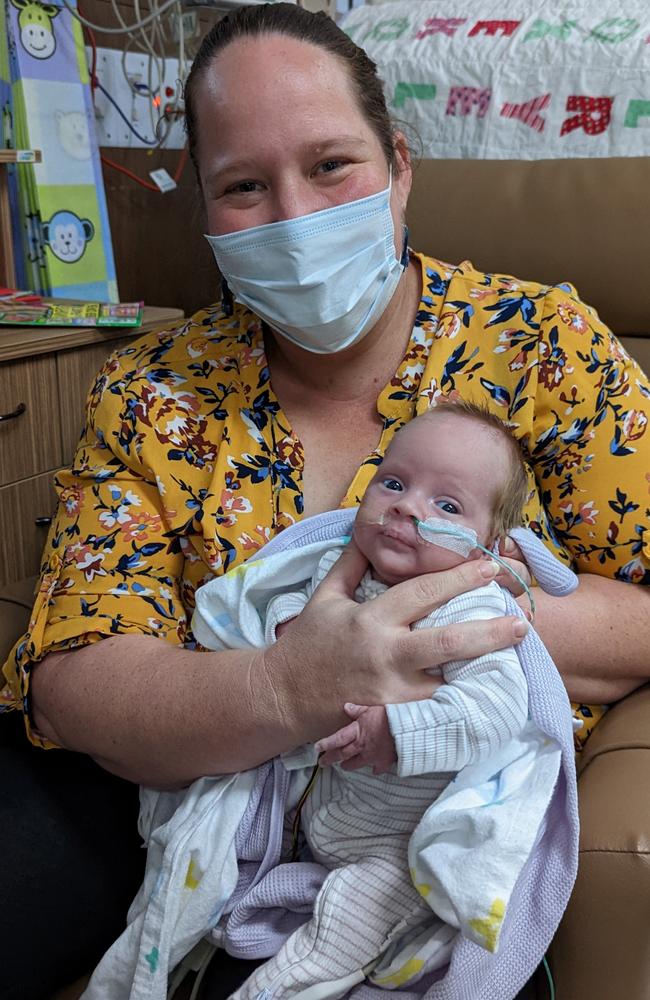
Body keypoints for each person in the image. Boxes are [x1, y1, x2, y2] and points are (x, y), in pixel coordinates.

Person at [0, 3, 647, 999]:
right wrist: (284, 686)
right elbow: (76, 670)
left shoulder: (541, 348)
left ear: (398, 166)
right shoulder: (151, 393)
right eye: (245, 186)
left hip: (430, 823)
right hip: (190, 794)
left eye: (331, 166)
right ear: (206, 214)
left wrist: (449, 624)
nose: (296, 217)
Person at [190, 400, 566, 999]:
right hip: (314, 816)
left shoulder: (468, 607)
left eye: (447, 506)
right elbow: (286, 606)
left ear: (485, 546)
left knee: (342, 926)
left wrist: (402, 731)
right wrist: (287, 631)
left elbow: (496, 711)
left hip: (397, 848)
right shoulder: (342, 566)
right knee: (216, 827)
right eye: (393, 482)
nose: (407, 506)